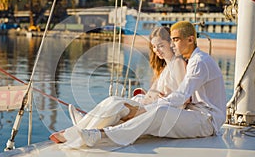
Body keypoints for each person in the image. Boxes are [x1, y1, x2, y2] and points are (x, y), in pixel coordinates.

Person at [78, 21, 226, 147]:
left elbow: (182, 96)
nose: (172, 45)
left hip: (207, 120)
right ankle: (94, 125)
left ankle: (103, 135)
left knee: (159, 111)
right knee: (136, 105)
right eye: (172, 40)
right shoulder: (194, 60)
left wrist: (145, 108)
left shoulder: (199, 62)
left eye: (175, 40)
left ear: (190, 40)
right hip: (195, 115)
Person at [49, 26, 187, 146]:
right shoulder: (165, 67)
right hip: (145, 103)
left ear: (171, 43)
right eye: (154, 47)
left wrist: (161, 98)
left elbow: (184, 96)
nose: (157, 50)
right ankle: (84, 123)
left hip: (152, 109)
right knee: (113, 100)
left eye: (161, 45)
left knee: (116, 103)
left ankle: (80, 127)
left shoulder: (178, 63)